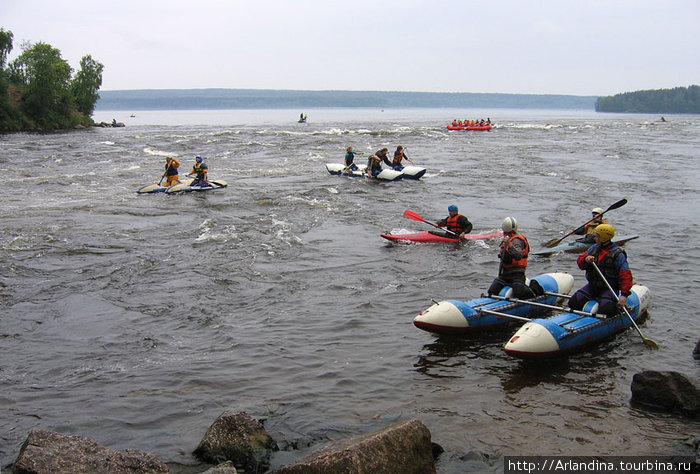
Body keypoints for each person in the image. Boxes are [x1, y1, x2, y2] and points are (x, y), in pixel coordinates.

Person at [568, 224, 633, 317]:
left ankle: (616, 310)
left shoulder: (618, 254)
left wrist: (624, 295)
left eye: (597, 236)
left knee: (606, 310)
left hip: (609, 288)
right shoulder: (594, 248)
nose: (594, 238)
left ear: (603, 238)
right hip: (593, 286)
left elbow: (626, 275)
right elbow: (580, 261)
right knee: (574, 302)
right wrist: (585, 259)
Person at [488, 217, 540, 299]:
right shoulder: (506, 239)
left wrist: (509, 244)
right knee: (492, 291)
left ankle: (534, 290)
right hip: (505, 275)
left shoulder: (517, 241)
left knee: (518, 292)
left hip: (517, 275)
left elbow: (519, 255)